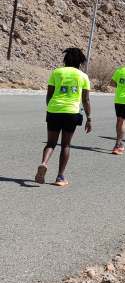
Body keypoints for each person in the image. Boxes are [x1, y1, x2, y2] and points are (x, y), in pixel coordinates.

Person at [34, 47, 92, 187]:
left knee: (51, 143)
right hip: (71, 112)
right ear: (80, 62)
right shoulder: (83, 76)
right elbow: (86, 100)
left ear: (66, 59)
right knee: (65, 145)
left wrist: (50, 109)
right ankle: (60, 177)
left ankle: (44, 163)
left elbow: (49, 94)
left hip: (54, 110)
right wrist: (89, 118)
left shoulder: (57, 72)